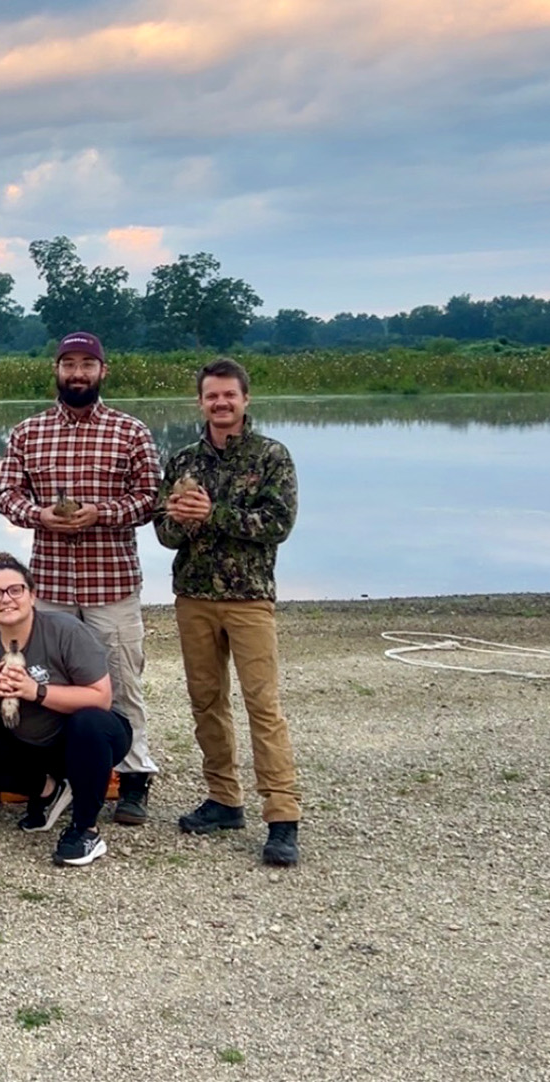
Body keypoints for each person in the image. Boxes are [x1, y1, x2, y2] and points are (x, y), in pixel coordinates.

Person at [0, 331, 162, 825]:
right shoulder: (29, 431)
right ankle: (58, 774)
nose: (78, 374)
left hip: (111, 583)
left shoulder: (130, 431)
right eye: (69, 364)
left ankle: (133, 776)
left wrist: (101, 514)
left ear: (102, 371)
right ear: (57, 370)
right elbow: (6, 495)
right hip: (49, 587)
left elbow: (150, 497)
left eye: (88, 364)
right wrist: (40, 514)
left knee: (122, 681)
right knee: (47, 683)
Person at [153, 357, 303, 868]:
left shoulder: (271, 456)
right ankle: (224, 799)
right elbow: (164, 533)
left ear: (245, 399)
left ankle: (282, 817)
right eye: (212, 396)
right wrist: (181, 518)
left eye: (229, 396)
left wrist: (212, 512)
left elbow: (278, 523)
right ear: (200, 402)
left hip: (248, 598)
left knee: (263, 705)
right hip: (193, 595)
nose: (221, 404)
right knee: (206, 701)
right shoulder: (184, 460)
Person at [0, 553, 128, 867]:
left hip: (86, 739)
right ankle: (48, 789)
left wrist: (37, 691)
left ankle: (86, 829)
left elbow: (101, 698)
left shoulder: (65, 631)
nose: (6, 599)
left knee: (89, 723)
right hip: (30, 744)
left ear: (32, 594)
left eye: (15, 590)